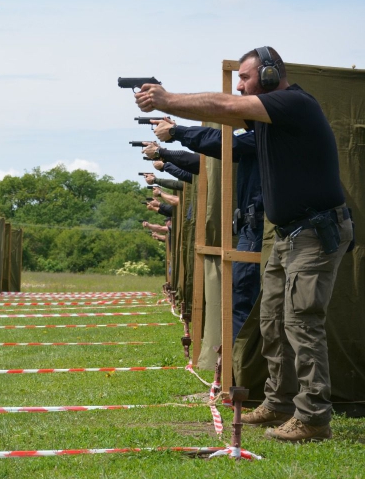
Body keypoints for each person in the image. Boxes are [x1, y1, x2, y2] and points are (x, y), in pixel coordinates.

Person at [134, 46, 353, 443]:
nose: (239, 87)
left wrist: (167, 99)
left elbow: (225, 106)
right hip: (289, 233)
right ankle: (279, 402)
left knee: (302, 322)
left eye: (245, 78)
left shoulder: (294, 104)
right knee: (271, 320)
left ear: (270, 75)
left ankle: (313, 417)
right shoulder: (270, 119)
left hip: (313, 232)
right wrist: (177, 125)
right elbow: (224, 120)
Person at [151, 119, 262, 342]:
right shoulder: (258, 133)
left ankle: (238, 357)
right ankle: (236, 356)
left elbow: (200, 162)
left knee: (242, 293)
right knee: (240, 292)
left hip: (255, 226)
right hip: (250, 225)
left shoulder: (259, 133)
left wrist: (166, 152)